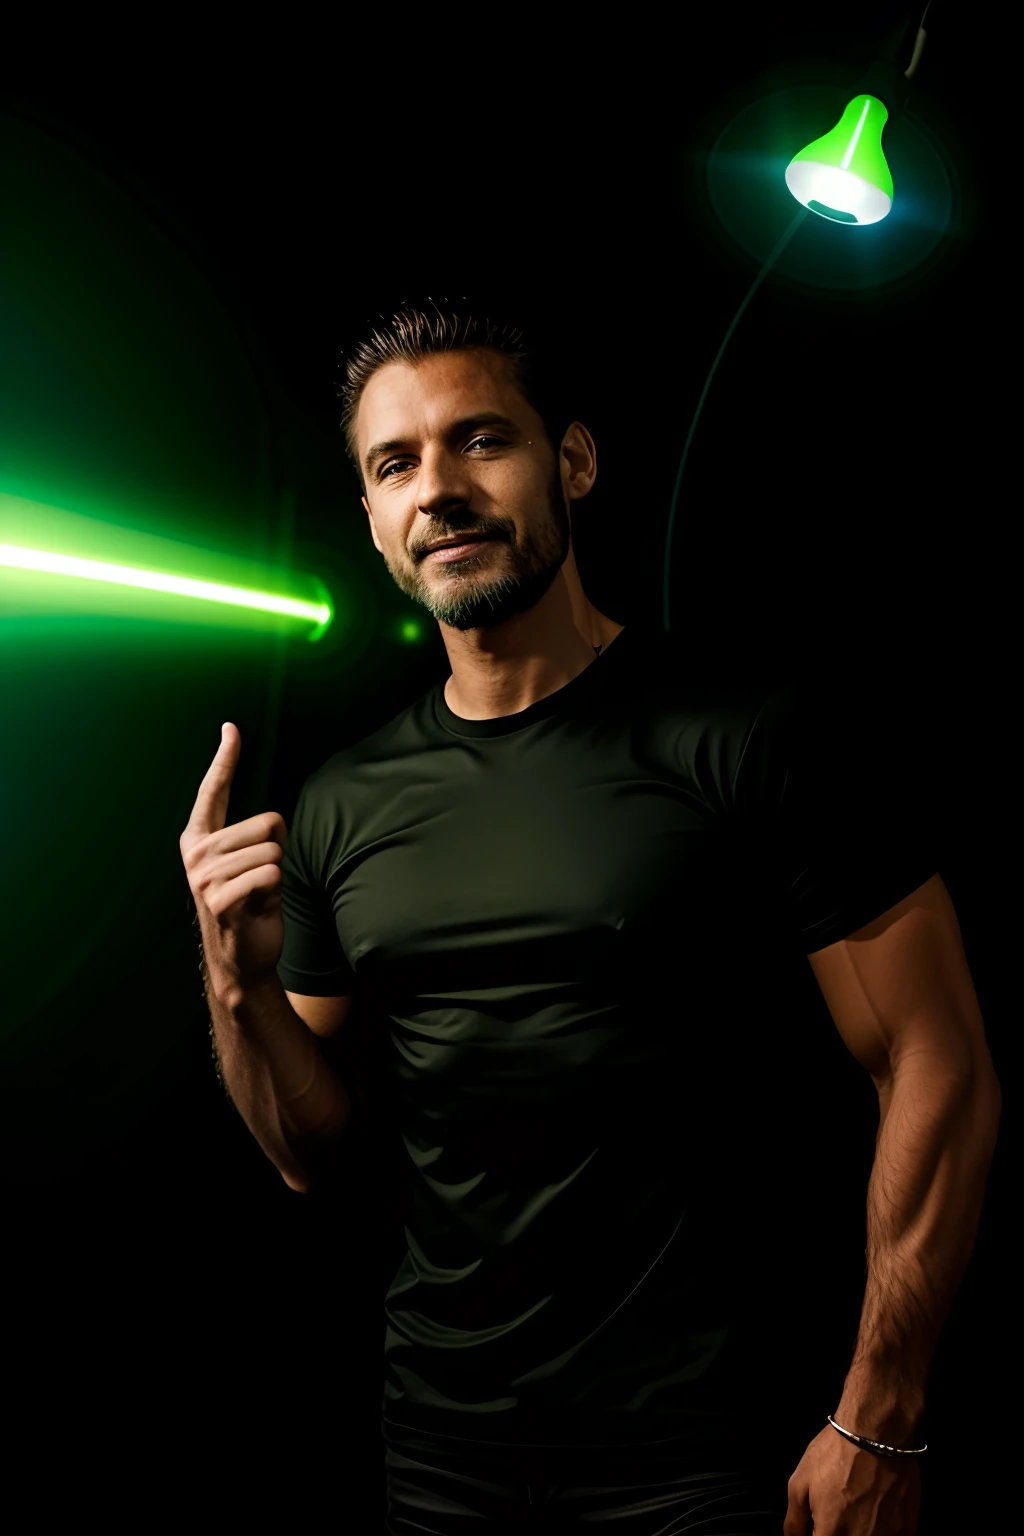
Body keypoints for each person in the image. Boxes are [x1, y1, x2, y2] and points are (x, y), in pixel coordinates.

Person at [179, 301, 1001, 1534]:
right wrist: (234, 984)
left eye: (480, 442)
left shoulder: (743, 737)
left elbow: (936, 1058)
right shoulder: (343, 801)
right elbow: (309, 1152)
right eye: (395, 464)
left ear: (572, 461)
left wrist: (877, 1410)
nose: (439, 489)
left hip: (705, 1456)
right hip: (441, 1455)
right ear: (370, 521)